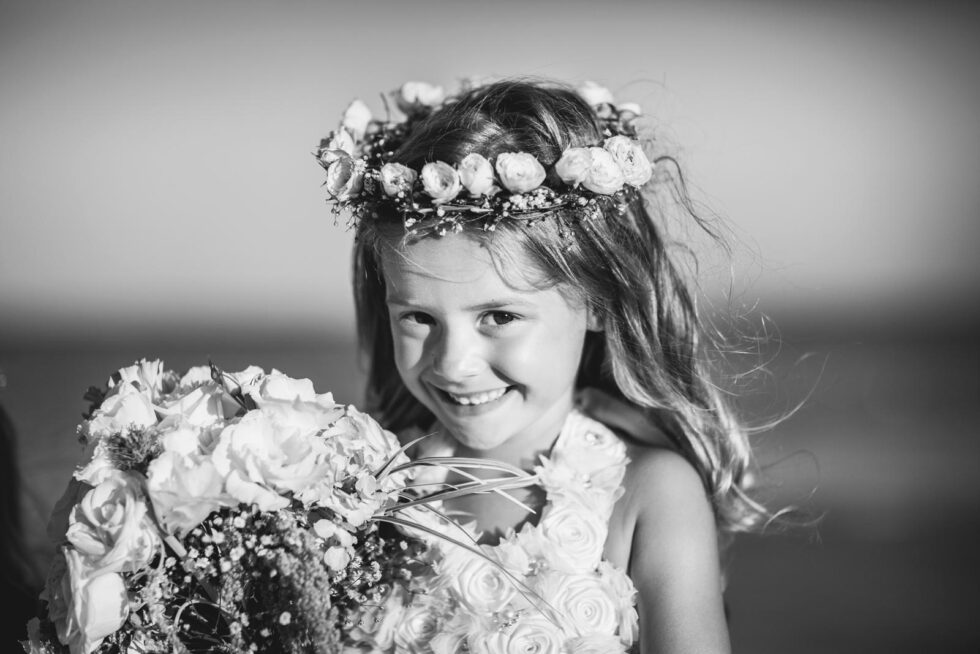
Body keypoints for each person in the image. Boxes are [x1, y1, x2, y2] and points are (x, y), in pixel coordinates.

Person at [317, 77, 783, 653]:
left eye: (500, 317)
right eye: (419, 318)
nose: (454, 363)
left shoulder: (648, 496)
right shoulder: (361, 491)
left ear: (595, 300)